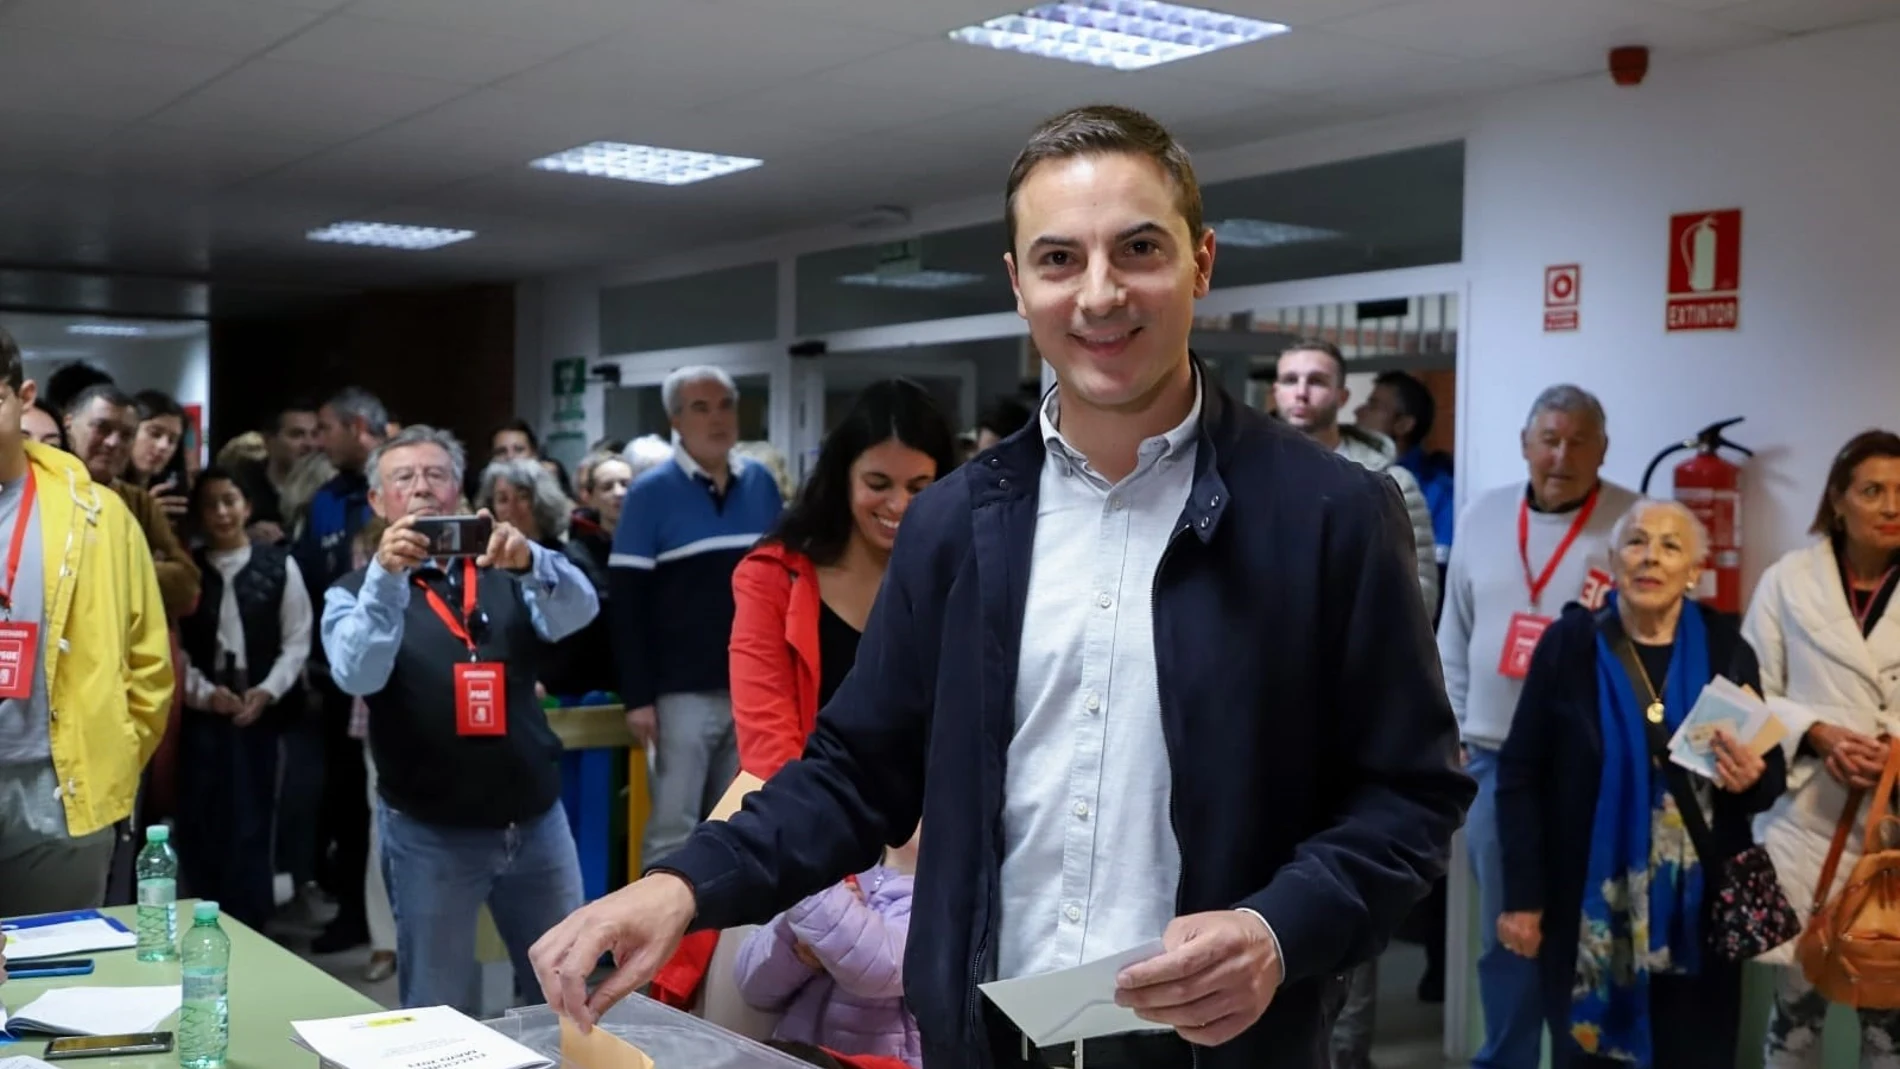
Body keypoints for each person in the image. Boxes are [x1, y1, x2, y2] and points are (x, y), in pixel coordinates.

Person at [533, 104, 1471, 1069]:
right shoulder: (955, 523)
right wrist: (683, 884)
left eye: (1138, 247)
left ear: (1201, 261)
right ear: (1019, 285)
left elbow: (1408, 796)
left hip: (1214, 1047)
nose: (1100, 294)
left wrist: (1279, 931)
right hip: (987, 1042)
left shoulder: (1329, 514)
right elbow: (859, 769)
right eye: (1060, 259)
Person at [1496, 498, 1783, 1068]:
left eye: (1671, 546)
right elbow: (1521, 775)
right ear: (1613, 559)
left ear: (1694, 571)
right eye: (1637, 542)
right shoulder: (1569, 646)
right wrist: (1524, 899)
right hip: (1584, 905)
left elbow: (1765, 777)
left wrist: (1752, 777)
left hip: (1696, 918)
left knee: (1695, 1053)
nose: (1651, 557)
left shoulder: (1727, 649)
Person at [321, 425, 598, 1011]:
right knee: (440, 1006)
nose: (422, 489)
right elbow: (357, 675)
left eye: (436, 475)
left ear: (459, 491)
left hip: (536, 821)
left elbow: (580, 612)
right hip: (430, 832)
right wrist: (385, 579)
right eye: (404, 478)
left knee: (564, 990)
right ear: (378, 502)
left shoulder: (506, 568)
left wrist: (532, 559)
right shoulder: (352, 591)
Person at [1437, 383, 1638, 1069]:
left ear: (1603, 449)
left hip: (1597, 766)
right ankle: (1508, 1057)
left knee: (1598, 923)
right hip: (1492, 758)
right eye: (1549, 439)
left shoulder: (1632, 522)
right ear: (1527, 444)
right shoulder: (1484, 515)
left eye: (1580, 440)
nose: (1562, 454)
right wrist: (1454, 731)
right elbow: (1452, 635)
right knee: (1510, 928)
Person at [0, 327, 173, 917]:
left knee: (52, 980)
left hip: (58, 792)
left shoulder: (97, 514)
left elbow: (149, 663)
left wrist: (114, 757)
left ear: (23, 397)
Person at [1745, 430, 1900, 1066]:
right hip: (1807, 821)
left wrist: (1891, 745)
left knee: (1889, 1016)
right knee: (1796, 1010)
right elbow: (1752, 692)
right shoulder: (1788, 580)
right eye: (1873, 491)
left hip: (1891, 831)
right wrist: (1818, 732)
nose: (1891, 505)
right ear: (1838, 500)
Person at [731, 379, 956, 779]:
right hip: (805, 817)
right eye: (878, 484)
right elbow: (767, 742)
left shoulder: (958, 575)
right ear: (843, 477)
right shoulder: (773, 577)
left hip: (929, 823)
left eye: (919, 488)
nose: (899, 504)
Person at [609, 366, 784, 869]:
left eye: (725, 405)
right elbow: (628, 605)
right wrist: (638, 697)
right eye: (701, 408)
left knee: (738, 825)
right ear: (676, 421)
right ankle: (660, 949)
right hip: (679, 692)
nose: (717, 419)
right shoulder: (649, 493)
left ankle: (719, 950)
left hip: (752, 687)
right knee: (674, 829)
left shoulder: (761, 484)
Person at [173, 467, 313, 930]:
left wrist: (268, 691)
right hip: (202, 716)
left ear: (247, 507)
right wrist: (204, 694)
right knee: (202, 818)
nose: (222, 513)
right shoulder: (186, 569)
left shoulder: (278, 564)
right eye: (211, 504)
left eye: (230, 500)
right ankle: (206, 924)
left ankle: (255, 923)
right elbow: (173, 648)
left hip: (264, 713)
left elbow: (297, 640)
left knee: (256, 818)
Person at [293, 385, 388, 954]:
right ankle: (352, 913)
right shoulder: (324, 498)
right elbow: (309, 578)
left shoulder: (394, 489)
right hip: (333, 675)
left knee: (383, 805)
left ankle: (389, 928)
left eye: (325, 428)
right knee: (344, 801)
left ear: (358, 426)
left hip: (390, 677)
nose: (317, 440)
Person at [1273, 340, 1438, 619]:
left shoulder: (1390, 482)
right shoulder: (1238, 473)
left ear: (1342, 396)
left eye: (1317, 381)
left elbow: (1419, 597)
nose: (1301, 393)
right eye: (1290, 380)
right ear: (1276, 392)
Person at [736, 831, 924, 1067]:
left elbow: (879, 965)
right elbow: (753, 987)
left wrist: (808, 880)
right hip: (794, 1057)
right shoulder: (843, 875)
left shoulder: (944, 906)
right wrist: (800, 952)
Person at [63, 384, 201, 618]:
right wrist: (145, 564)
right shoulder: (43, 489)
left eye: (127, 435)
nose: (113, 442)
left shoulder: (139, 501)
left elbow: (187, 584)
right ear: (68, 425)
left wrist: (110, 567)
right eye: (102, 428)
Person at [1355, 370, 1454, 571]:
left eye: (1373, 405)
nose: (1358, 412)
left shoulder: (1439, 491)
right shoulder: (1353, 471)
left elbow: (1438, 568)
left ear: (1403, 424)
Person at [236, 401, 321, 544]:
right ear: (268, 440)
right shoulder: (242, 486)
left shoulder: (331, 488)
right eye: (297, 435)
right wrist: (244, 536)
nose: (309, 444)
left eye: (315, 434)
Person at [479, 457, 572, 550]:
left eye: (522, 497)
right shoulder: (482, 560)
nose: (512, 508)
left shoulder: (565, 559)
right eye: (502, 499)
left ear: (543, 502)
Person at [127, 389, 190, 523]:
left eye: (172, 440)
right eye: (155, 434)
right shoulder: (107, 490)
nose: (163, 446)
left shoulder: (171, 493)